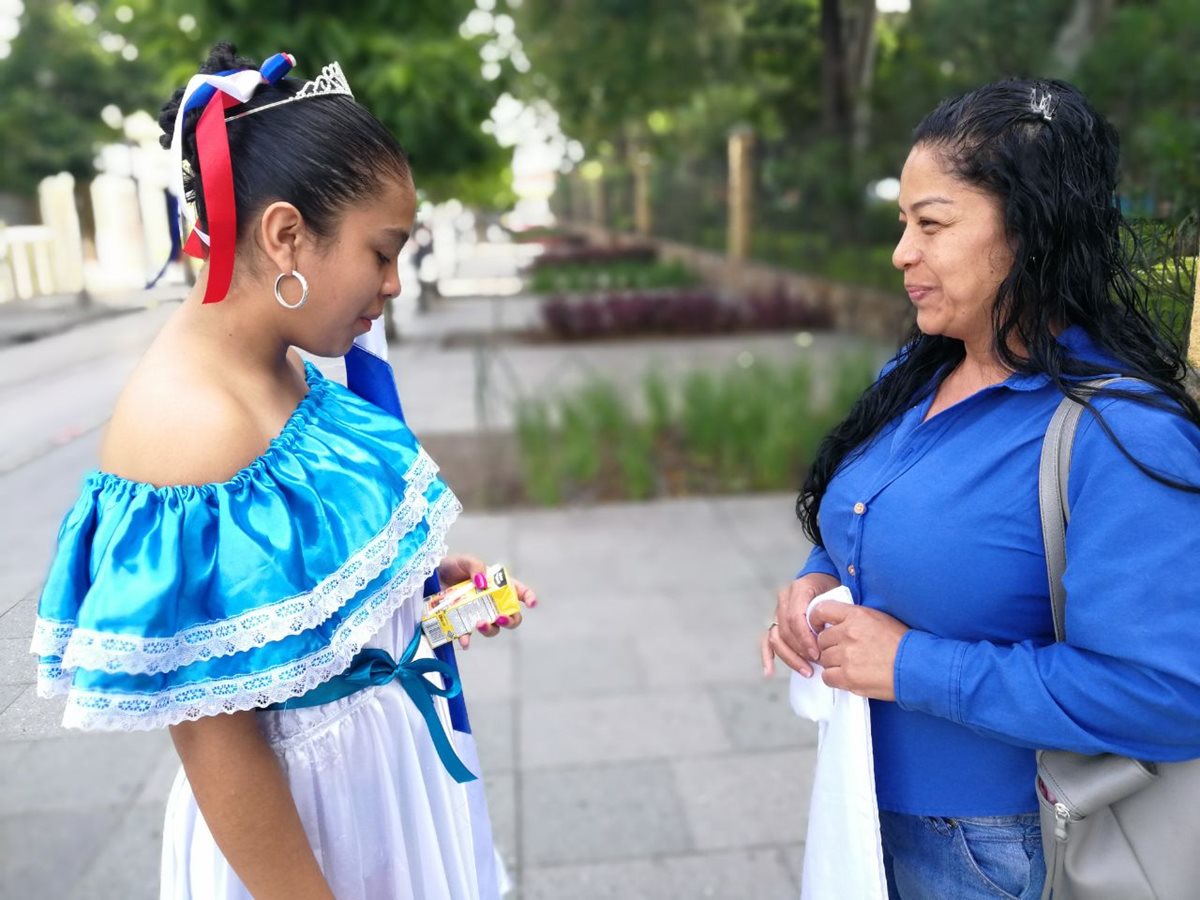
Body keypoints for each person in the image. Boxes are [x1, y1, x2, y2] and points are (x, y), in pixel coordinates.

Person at [30, 43, 535, 900]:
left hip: (380, 786)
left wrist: (402, 593)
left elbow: (289, 590)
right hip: (307, 839)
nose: (393, 285)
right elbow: (218, 739)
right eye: (382, 253)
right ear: (286, 234)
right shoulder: (187, 431)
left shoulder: (282, 360)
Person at [761, 78, 1200, 900]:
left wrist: (913, 666)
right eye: (903, 224)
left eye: (931, 224)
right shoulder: (922, 368)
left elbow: (1169, 694)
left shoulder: (1118, 432)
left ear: (1031, 233)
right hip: (866, 812)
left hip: (1001, 852)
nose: (901, 253)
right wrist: (820, 573)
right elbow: (870, 509)